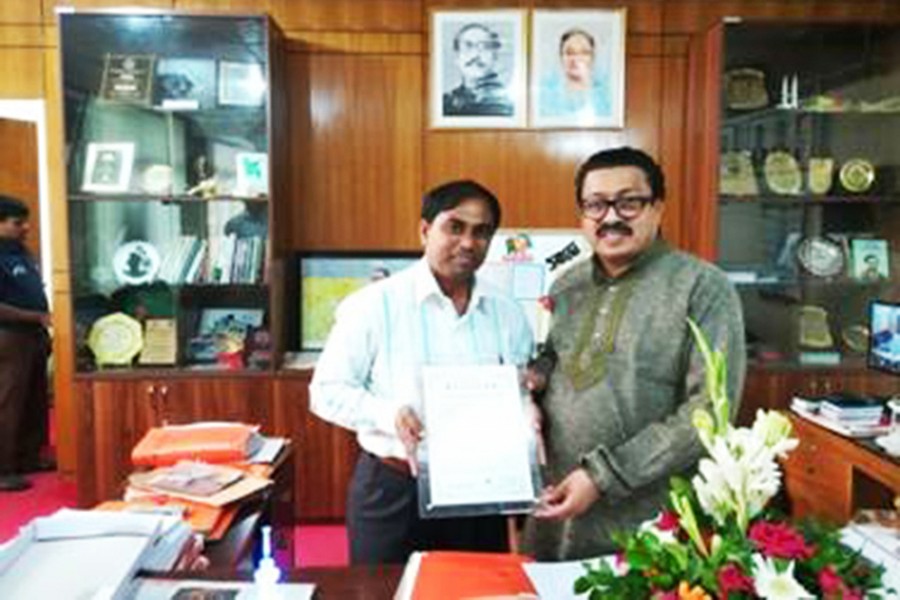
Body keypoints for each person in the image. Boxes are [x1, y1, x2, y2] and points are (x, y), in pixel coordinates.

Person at [521, 147, 746, 560]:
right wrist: (533, 377)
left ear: (658, 207)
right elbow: (558, 357)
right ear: (582, 215)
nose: (610, 217)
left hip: (651, 522)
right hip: (557, 509)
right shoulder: (566, 286)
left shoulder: (702, 287)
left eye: (628, 202)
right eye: (595, 205)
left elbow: (711, 411)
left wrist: (604, 475)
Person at [310, 180, 533, 564]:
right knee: (387, 592)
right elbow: (326, 391)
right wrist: (389, 414)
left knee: (476, 592)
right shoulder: (373, 305)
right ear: (425, 230)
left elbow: (519, 389)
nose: (468, 242)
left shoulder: (507, 311)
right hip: (395, 488)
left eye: (481, 232)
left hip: (479, 490)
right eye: (455, 227)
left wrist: (527, 410)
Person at [0, 195, 52, 492]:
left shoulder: (19, 252)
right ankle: (3, 469)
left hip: (32, 335)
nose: (26, 228)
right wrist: (36, 316)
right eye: (17, 223)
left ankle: (27, 457)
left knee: (34, 400)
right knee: (8, 403)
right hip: (8, 337)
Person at [537, 28, 611, 121]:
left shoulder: (605, 94)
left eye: (584, 53)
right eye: (570, 53)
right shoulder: (545, 94)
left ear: (592, 58)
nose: (576, 58)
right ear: (561, 57)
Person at [443, 23, 514, 117]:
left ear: (495, 57)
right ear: (457, 57)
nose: (475, 54)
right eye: (468, 46)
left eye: (485, 47)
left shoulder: (506, 104)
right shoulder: (446, 103)